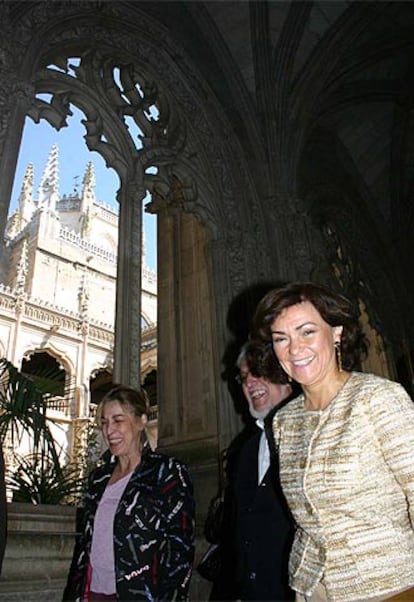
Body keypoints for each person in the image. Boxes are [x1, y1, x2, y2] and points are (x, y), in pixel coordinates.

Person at [253, 281, 414, 602]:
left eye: (307, 332)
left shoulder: (378, 399)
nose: (294, 349)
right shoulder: (285, 421)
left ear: (336, 332)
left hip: (387, 585)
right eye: (281, 339)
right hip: (311, 587)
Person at [63, 385, 195, 602]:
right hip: (93, 591)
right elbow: (84, 546)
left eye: (118, 420)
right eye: (104, 422)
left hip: (141, 594)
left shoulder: (166, 471)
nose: (109, 430)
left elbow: (180, 549)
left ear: (141, 421)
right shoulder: (98, 478)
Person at [211, 340, 295, 601]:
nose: (249, 383)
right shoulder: (245, 451)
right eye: (244, 377)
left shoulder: (310, 436)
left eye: (258, 372)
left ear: (285, 375)